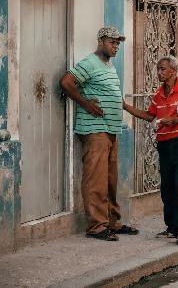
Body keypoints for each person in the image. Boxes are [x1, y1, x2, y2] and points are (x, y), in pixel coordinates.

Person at [59, 27, 139, 241]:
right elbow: (66, 82)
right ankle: (96, 226)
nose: (116, 47)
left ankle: (113, 221)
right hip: (95, 130)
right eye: (112, 42)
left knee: (110, 180)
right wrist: (86, 104)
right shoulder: (90, 63)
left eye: (118, 43)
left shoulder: (109, 66)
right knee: (96, 179)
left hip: (111, 130)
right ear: (101, 41)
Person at [123, 55, 178, 245]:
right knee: (166, 186)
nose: (159, 72)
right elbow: (149, 116)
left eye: (163, 69)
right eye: (158, 69)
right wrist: (125, 107)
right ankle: (171, 227)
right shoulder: (159, 94)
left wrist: (174, 121)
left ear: (173, 71)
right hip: (164, 143)